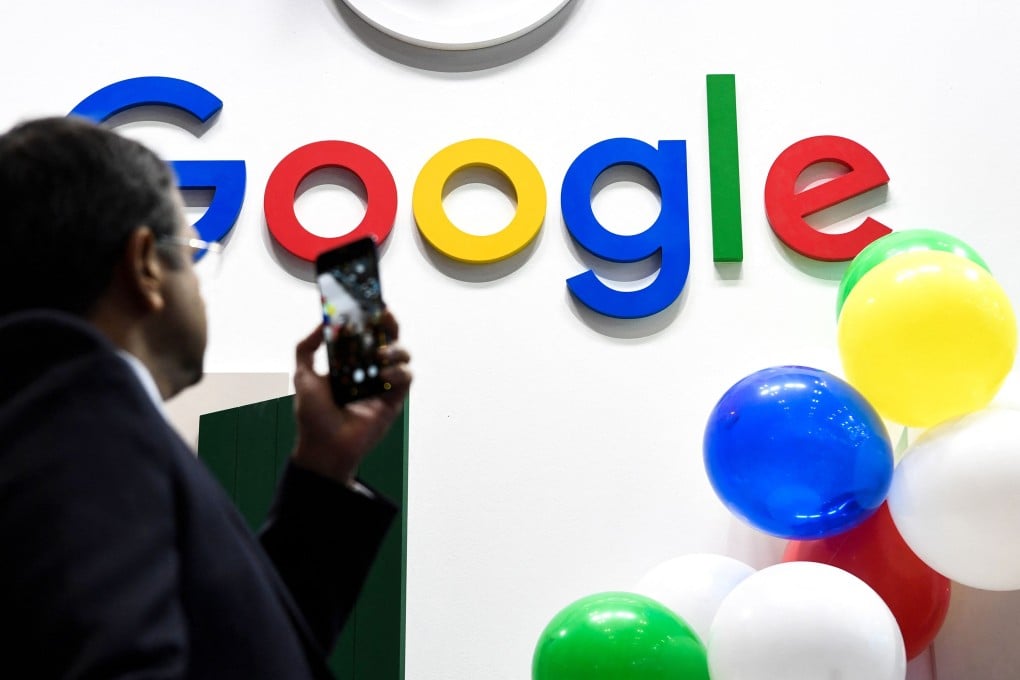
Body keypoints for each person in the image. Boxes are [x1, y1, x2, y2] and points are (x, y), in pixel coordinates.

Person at [0, 116, 412, 679]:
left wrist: (326, 466)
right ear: (145, 263)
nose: (198, 284)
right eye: (192, 251)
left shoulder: (44, 419)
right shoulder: (85, 422)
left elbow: (239, 656)